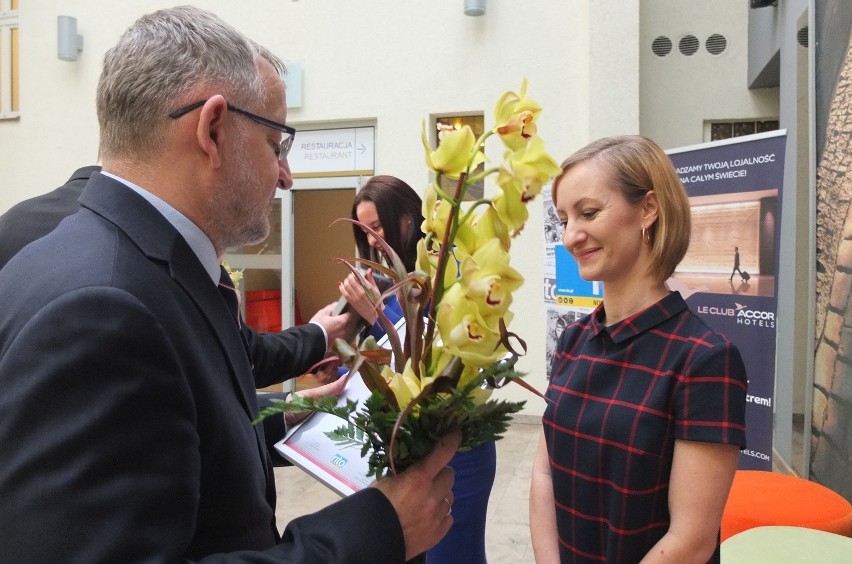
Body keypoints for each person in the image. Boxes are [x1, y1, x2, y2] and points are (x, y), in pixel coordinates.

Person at [0, 7, 459, 562]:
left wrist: (280, 419)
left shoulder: (123, 266)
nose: (286, 176)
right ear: (212, 130)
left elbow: (169, 447)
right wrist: (378, 528)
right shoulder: (103, 307)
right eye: (277, 145)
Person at [0, 162, 340, 466]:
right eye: (272, 143)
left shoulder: (15, 227)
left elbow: (171, 417)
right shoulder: (141, 268)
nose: (285, 177)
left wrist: (283, 410)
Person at [529, 135, 747, 563]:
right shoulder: (574, 340)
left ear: (648, 209)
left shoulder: (704, 360)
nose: (572, 236)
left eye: (589, 213)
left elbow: (691, 540)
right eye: (564, 219)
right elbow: (544, 470)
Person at [339, 175, 497, 564]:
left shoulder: (447, 263)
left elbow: (441, 351)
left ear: (408, 217)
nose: (373, 241)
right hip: (411, 437)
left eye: (377, 227)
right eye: (365, 232)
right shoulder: (388, 279)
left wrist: (379, 315)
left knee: (453, 552)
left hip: (455, 442)